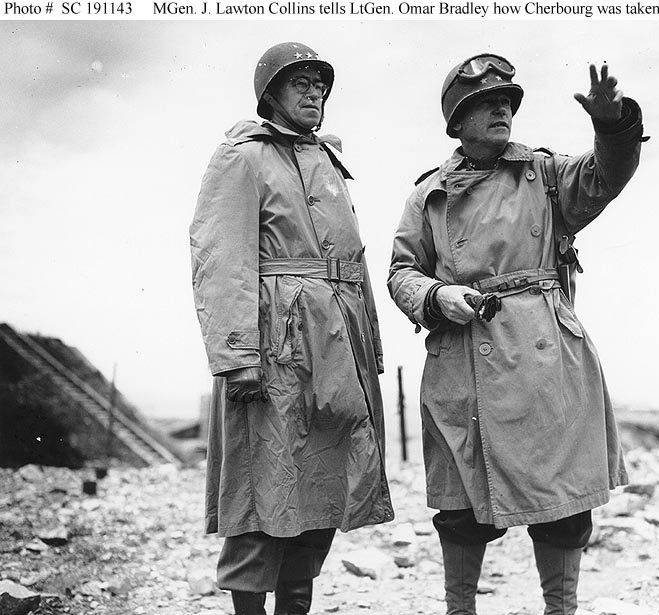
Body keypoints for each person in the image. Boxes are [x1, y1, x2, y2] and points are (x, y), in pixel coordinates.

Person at [388, 53, 647, 615]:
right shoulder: (428, 195)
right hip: (464, 357)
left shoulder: (546, 175)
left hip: (547, 355)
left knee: (563, 503)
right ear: (456, 122)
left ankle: (561, 610)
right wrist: (437, 296)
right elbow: (401, 273)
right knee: (460, 508)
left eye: (506, 100)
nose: (501, 107)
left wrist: (612, 123)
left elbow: (608, 174)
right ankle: (461, 609)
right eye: (484, 103)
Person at [190, 41, 393, 615]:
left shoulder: (328, 163)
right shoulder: (242, 157)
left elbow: (350, 264)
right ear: (270, 94)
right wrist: (237, 355)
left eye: (320, 84)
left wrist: (367, 347)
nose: (314, 92)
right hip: (274, 348)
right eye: (300, 82)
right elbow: (220, 259)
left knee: (322, 492)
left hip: (337, 348)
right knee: (263, 491)